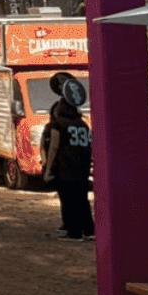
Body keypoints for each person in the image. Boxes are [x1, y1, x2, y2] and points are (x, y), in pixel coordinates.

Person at [41, 100, 94, 241]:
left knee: (68, 201)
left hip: (65, 167)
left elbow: (54, 146)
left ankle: (74, 232)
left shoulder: (58, 124)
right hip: (82, 167)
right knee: (82, 200)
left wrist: (48, 168)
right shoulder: (83, 124)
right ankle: (89, 230)